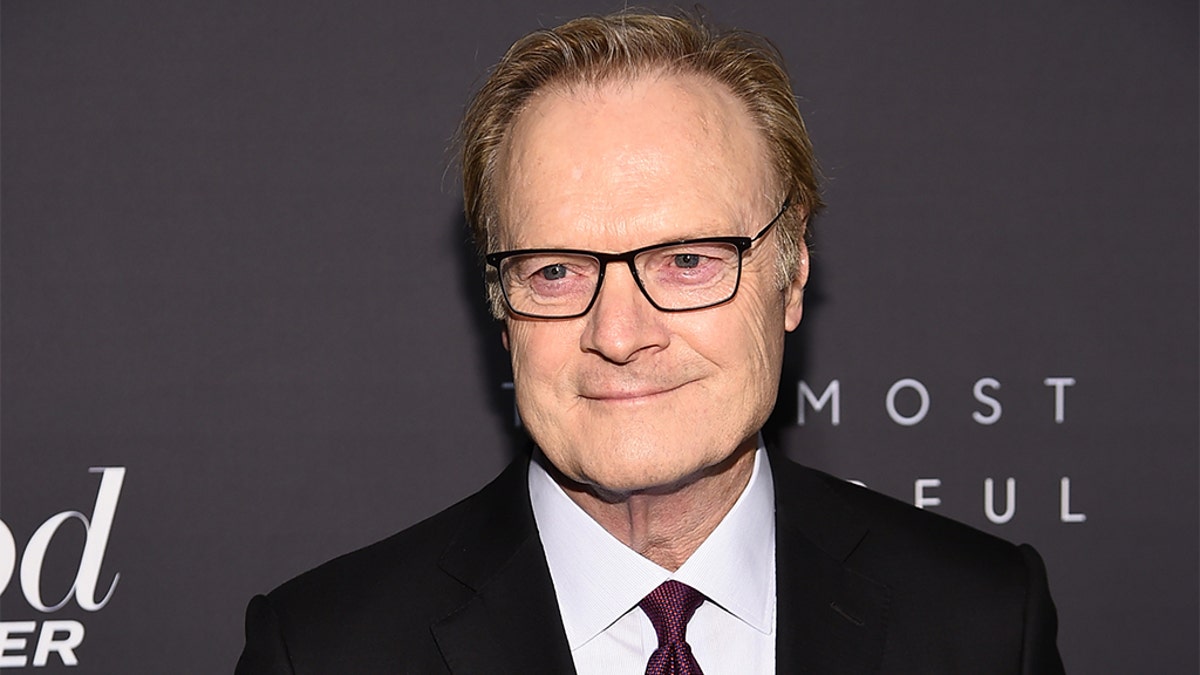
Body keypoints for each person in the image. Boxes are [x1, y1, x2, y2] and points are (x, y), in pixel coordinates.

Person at [236, 10, 1063, 674]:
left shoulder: (983, 622)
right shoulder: (322, 650)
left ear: (792, 270)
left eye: (689, 260)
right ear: (501, 303)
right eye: (555, 270)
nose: (620, 335)